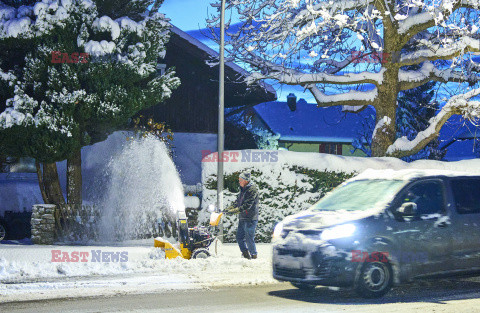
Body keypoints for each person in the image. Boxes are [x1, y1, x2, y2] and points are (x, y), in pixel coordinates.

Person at [225, 171, 260, 259]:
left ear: (246, 180)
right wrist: (228, 209)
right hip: (243, 217)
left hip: (250, 218)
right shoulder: (242, 190)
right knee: (239, 237)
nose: (239, 182)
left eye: (241, 180)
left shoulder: (252, 190)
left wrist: (234, 211)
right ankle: (245, 254)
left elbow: (247, 205)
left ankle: (254, 255)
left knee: (249, 238)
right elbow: (237, 202)